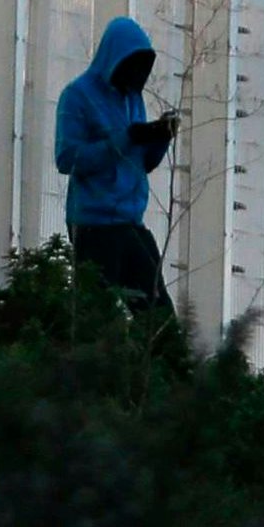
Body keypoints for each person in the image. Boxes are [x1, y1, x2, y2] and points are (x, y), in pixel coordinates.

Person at [56, 16, 179, 308]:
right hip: (94, 223)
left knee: (156, 311)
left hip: (129, 219)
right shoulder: (77, 96)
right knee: (96, 313)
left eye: (142, 67)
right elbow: (67, 158)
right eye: (132, 65)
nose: (138, 74)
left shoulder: (132, 99)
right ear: (115, 60)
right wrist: (126, 138)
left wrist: (161, 137)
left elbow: (141, 163)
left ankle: (158, 354)